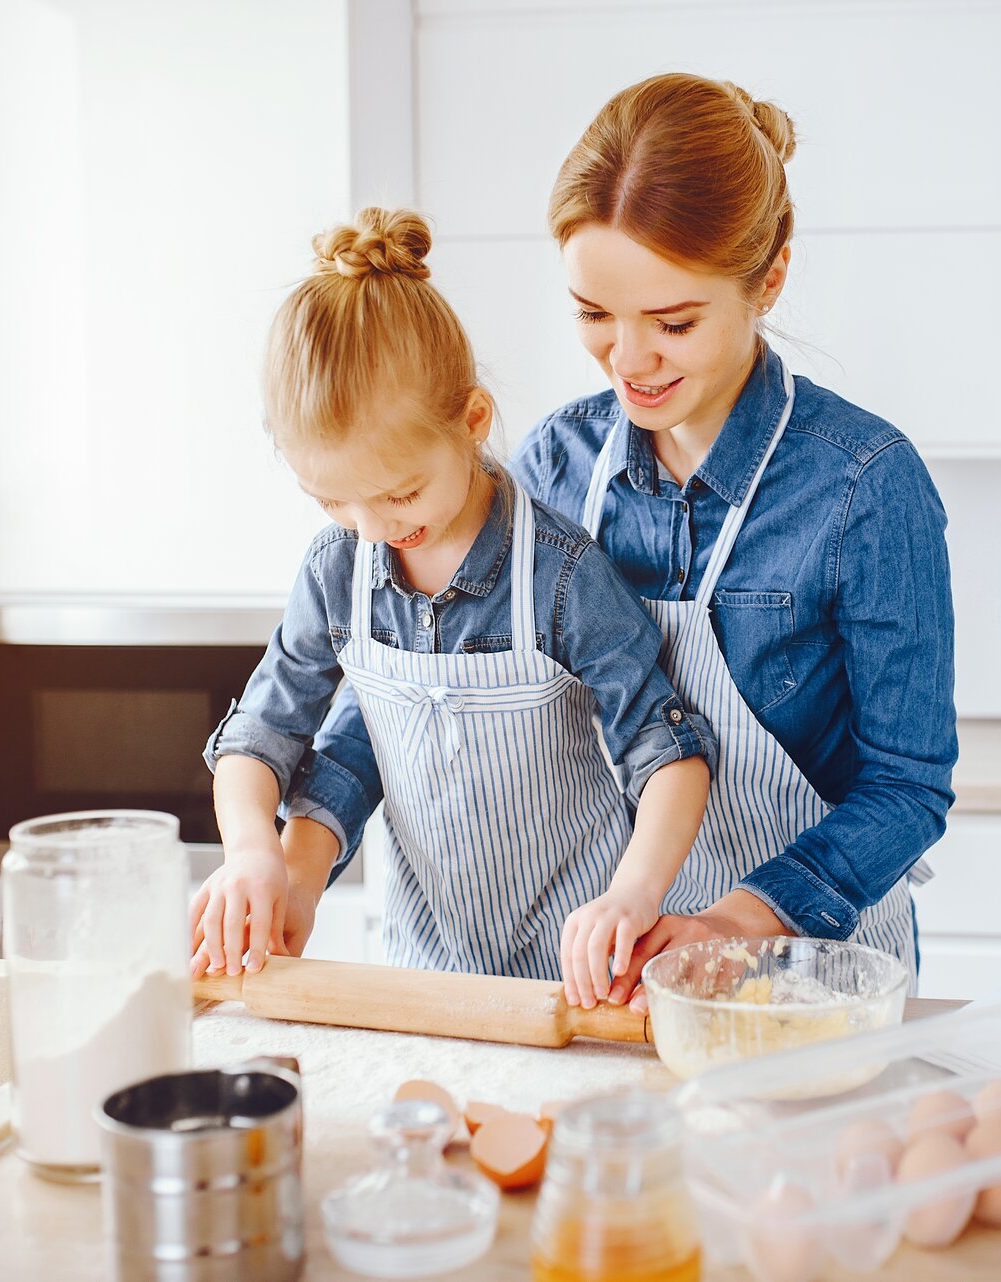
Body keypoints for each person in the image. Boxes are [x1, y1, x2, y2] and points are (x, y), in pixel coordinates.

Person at [287, 73, 957, 1009]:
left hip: (805, 973)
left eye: (673, 322)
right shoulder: (555, 460)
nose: (629, 361)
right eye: (595, 316)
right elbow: (417, 679)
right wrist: (298, 852)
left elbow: (907, 788)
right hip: (613, 976)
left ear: (768, 279)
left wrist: (734, 922)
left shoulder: (864, 487)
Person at [191, 207, 715, 996]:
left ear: (472, 421)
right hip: (425, 973)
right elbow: (264, 733)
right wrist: (258, 858)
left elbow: (669, 756)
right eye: (334, 501)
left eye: (400, 493)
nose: (375, 530)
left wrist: (632, 893)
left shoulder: (561, 577)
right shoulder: (340, 569)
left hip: (575, 977)